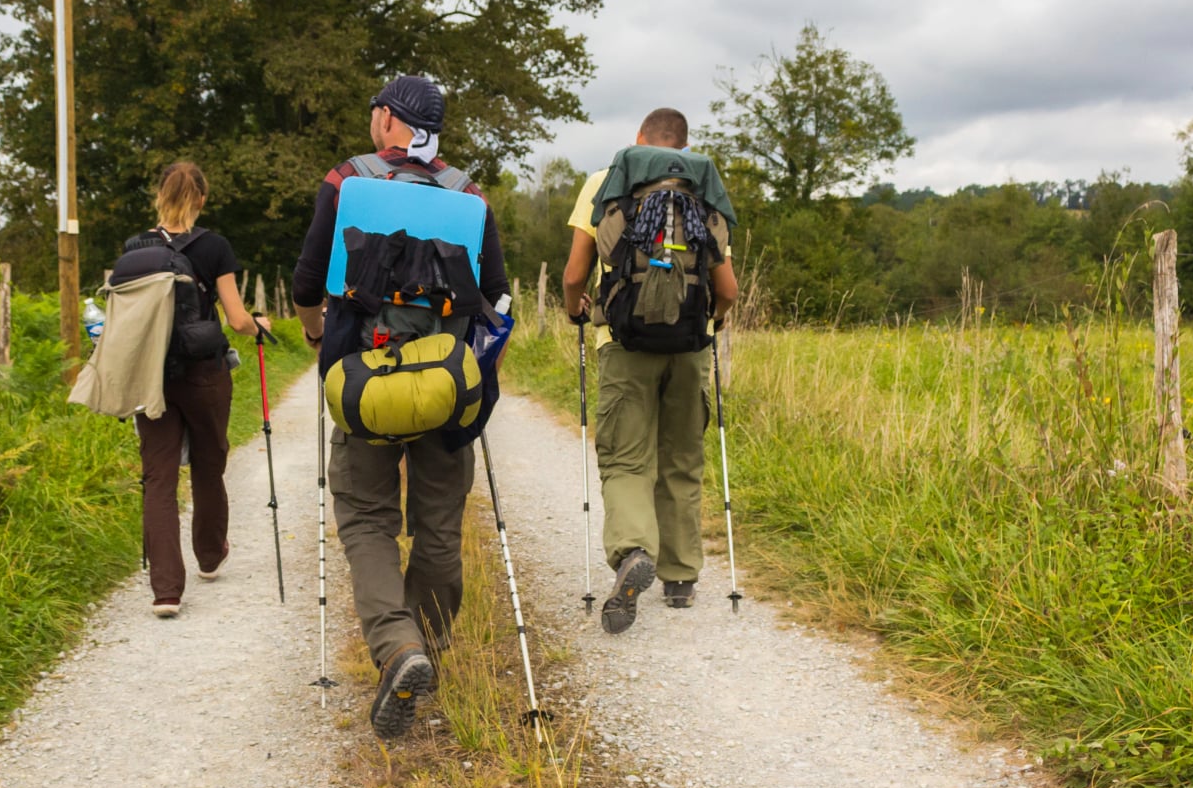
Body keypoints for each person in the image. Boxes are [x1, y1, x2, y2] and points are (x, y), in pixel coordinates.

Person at [292, 75, 511, 738]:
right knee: (440, 523)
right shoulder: (467, 195)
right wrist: (475, 375)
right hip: (446, 386)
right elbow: (498, 300)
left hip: (364, 386)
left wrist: (315, 333)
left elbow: (307, 282)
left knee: (366, 519)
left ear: (389, 119)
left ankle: (398, 648)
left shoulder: (346, 182)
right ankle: (427, 650)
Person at [560, 108, 737, 632]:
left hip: (623, 342)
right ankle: (680, 577)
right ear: (684, 145)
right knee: (682, 456)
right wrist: (715, 321)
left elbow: (574, 274)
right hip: (689, 344)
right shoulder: (703, 187)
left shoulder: (607, 180)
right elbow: (726, 290)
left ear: (638, 141)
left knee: (626, 457)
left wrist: (576, 308)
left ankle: (634, 549)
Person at [127, 162, 271, 619]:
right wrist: (260, 326)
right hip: (205, 372)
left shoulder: (134, 250)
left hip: (151, 375)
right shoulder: (214, 247)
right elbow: (235, 319)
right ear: (202, 199)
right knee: (209, 464)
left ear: (159, 196)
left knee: (159, 478)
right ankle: (209, 555)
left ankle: (166, 591)